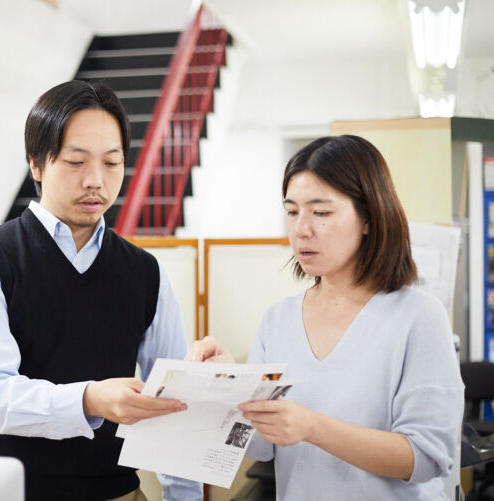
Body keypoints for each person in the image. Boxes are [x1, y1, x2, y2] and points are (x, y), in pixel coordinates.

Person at [0, 80, 202, 501]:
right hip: (7, 492)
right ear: (36, 164)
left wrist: (184, 497)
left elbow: (173, 403)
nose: (95, 181)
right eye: (75, 161)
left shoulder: (146, 272)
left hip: (115, 491)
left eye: (111, 163)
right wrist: (90, 399)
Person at [187, 135, 464, 500]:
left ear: (368, 217)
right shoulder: (278, 319)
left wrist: (312, 427)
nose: (302, 228)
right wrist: (230, 386)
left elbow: (427, 457)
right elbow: (260, 447)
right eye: (291, 211)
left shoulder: (419, 316)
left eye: (321, 212)